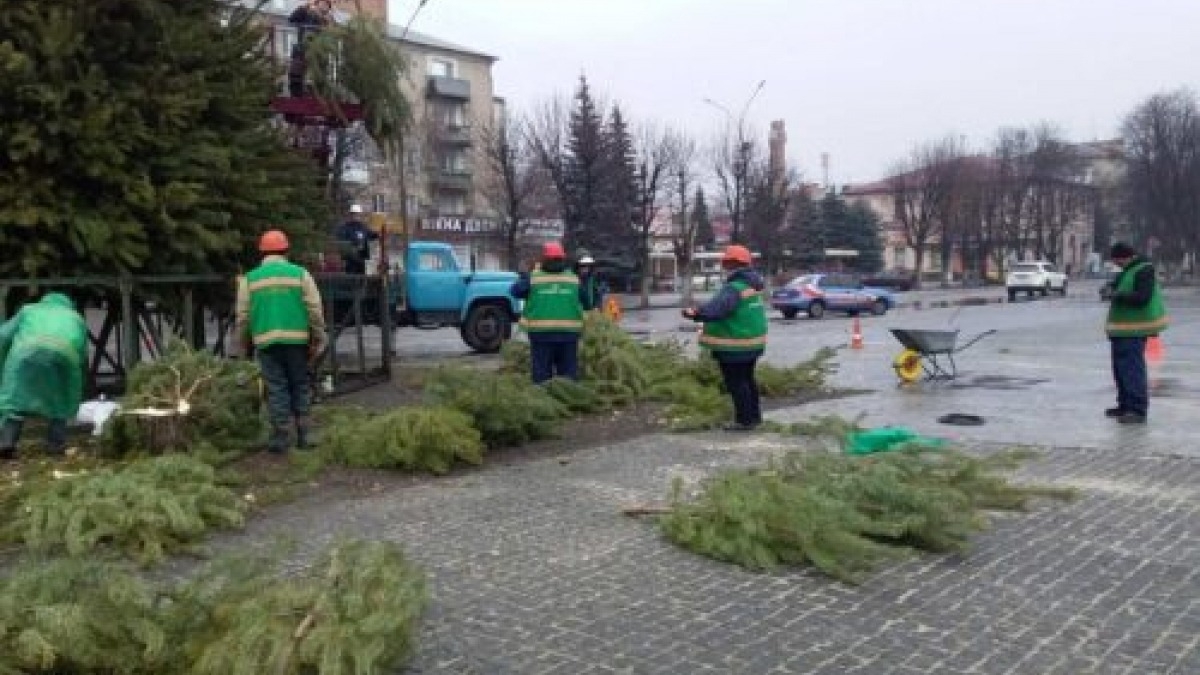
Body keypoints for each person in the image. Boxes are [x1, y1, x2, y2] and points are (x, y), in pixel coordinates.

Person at [235, 229, 329, 453]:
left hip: (266, 343)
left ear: (262, 252)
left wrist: (242, 344)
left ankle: (281, 437)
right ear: (286, 250)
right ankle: (305, 435)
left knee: (276, 387)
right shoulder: (300, 274)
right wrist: (319, 335)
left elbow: (243, 317)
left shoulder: (250, 279)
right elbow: (314, 309)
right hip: (297, 341)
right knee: (300, 384)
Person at [682, 244, 768, 432]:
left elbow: (718, 309)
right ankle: (754, 417)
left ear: (730, 264)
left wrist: (695, 313)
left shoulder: (734, 287)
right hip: (753, 344)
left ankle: (744, 421)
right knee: (747, 380)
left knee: (736, 383)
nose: (724, 267)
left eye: (726, 263)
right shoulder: (754, 285)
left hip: (735, 346)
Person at [0, 293, 88, 459]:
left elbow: (3, 336)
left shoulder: (28, 310)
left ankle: (6, 442)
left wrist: (3, 360)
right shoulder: (76, 317)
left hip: (24, 353)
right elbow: (82, 354)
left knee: (14, 399)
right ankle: (55, 445)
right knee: (61, 399)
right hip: (64, 355)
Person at [1104, 242, 1168, 424]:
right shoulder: (1128, 270)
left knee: (1132, 370)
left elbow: (1142, 297)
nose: (1117, 264)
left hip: (1134, 329)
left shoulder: (1144, 270)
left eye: (1118, 260)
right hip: (1123, 330)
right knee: (1121, 370)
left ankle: (1137, 410)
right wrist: (1109, 289)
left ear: (1127, 256)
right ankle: (1125, 405)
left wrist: (1118, 295)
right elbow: (1117, 286)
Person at [511, 242, 585, 384]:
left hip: (541, 335)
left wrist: (526, 275)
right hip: (569, 335)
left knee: (541, 376)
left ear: (544, 259)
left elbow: (515, 291)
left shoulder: (533, 278)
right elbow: (587, 302)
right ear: (562, 258)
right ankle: (568, 402)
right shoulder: (573, 279)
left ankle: (545, 402)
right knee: (568, 376)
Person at [287, 0, 333, 97]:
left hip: (319, 51)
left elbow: (332, 34)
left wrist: (327, 22)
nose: (325, 6)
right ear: (317, 3)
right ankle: (296, 95)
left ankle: (316, 95)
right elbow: (292, 19)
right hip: (302, 48)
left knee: (318, 76)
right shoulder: (307, 12)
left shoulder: (328, 19)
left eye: (327, 5)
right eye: (323, 3)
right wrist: (305, 7)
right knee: (296, 74)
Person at [336, 204, 378, 275]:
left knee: (361, 278)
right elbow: (342, 242)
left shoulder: (363, 227)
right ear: (350, 215)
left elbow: (372, 235)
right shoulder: (345, 228)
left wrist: (379, 234)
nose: (355, 216)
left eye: (357, 215)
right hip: (350, 260)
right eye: (353, 214)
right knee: (351, 279)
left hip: (361, 259)